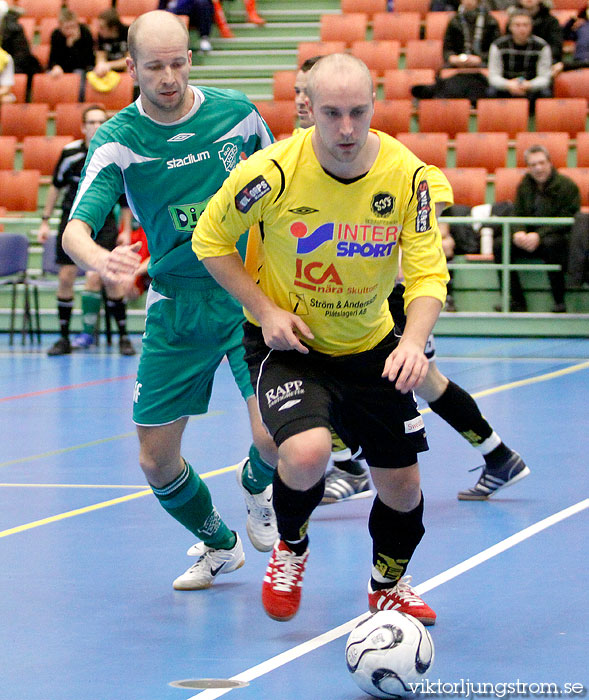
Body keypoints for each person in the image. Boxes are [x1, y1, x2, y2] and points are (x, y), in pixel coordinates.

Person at [194, 53, 448, 625]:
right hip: (291, 345)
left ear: (374, 107)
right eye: (331, 113)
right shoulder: (272, 172)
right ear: (308, 107)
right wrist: (263, 309)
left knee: (403, 490)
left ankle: (387, 584)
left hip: (373, 346)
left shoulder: (409, 177)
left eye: (358, 112)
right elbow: (210, 239)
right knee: (306, 453)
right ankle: (291, 546)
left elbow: (430, 271)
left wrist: (413, 340)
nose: (346, 129)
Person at [62, 11, 278, 591]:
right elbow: (75, 229)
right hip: (176, 305)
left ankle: (257, 482)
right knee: (156, 460)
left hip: (247, 294)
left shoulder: (237, 116)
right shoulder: (118, 139)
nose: (169, 77)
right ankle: (218, 543)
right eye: (154, 67)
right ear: (130, 67)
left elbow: (287, 185)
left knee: (274, 435)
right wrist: (99, 258)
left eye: (178, 62)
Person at [293, 59, 530, 505]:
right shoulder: (296, 161)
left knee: (369, 379)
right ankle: (498, 456)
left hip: (390, 300)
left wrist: (398, 251)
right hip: (338, 299)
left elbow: (428, 215)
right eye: (300, 93)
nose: (305, 102)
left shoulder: (390, 163)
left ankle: (352, 469)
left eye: (311, 92)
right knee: (421, 382)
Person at [37, 105, 136, 357]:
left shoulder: (115, 151)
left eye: (100, 121)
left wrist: (125, 229)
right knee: (66, 276)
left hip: (105, 224)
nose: (95, 126)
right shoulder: (69, 153)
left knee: (111, 277)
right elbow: (55, 186)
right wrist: (45, 220)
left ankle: (124, 337)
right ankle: (63, 338)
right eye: (90, 122)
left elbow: (124, 198)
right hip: (73, 222)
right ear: (82, 127)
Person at [493, 144, 581, 313]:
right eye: (533, 165)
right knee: (500, 245)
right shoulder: (524, 185)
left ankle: (559, 301)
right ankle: (516, 301)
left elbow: (568, 219)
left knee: (552, 244)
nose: (538, 168)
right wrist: (518, 232)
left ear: (549, 163)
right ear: (528, 167)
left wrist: (538, 236)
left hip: (555, 238)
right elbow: (517, 213)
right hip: (529, 239)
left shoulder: (567, 186)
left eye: (541, 163)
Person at [487, 9, 553, 109]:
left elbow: (544, 78)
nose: (522, 29)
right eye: (517, 25)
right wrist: (508, 84)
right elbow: (494, 76)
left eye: (525, 25)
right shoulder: (498, 45)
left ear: (531, 27)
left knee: (546, 93)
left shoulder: (542, 46)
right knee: (491, 92)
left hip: (531, 86)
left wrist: (529, 85)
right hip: (507, 86)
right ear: (510, 27)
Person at [48, 7, 95, 100]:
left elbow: (87, 61)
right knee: (49, 76)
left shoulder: (85, 32)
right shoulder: (56, 35)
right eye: (67, 28)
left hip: (81, 68)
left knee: (79, 76)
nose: (70, 31)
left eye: (73, 27)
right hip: (62, 68)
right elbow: (53, 59)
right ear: (60, 26)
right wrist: (56, 66)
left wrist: (73, 45)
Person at [443, 0, 501, 69]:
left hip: (485, 63)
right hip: (458, 63)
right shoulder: (454, 21)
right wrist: (452, 58)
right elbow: (447, 48)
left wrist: (481, 58)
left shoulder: (490, 21)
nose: (468, 1)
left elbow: (497, 47)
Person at [512, 0, 564, 75]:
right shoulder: (512, 21)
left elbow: (556, 48)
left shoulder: (551, 22)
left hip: (544, 66)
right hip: (514, 67)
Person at [93, 8, 129, 77]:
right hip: (109, 71)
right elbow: (100, 57)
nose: (99, 30)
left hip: (124, 69)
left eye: (102, 27)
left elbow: (130, 59)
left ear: (113, 28)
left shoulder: (127, 33)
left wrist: (109, 65)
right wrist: (101, 65)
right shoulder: (101, 35)